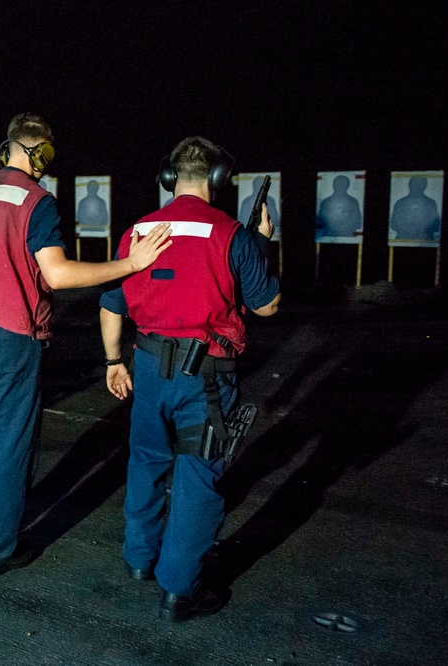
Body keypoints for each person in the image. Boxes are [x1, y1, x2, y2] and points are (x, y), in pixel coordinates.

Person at [0, 113, 173, 578]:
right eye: (46, 154)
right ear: (34, 152)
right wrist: (130, 263)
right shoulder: (37, 201)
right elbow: (59, 275)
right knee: (11, 445)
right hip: (14, 337)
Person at [99, 136, 280, 622]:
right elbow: (266, 304)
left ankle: (140, 559)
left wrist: (114, 362)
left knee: (146, 460)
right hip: (204, 377)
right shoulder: (230, 235)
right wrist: (261, 243)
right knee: (198, 475)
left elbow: (111, 304)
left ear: (168, 177)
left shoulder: (139, 230)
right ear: (218, 180)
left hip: (148, 367)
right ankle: (179, 589)